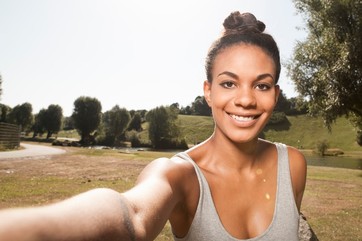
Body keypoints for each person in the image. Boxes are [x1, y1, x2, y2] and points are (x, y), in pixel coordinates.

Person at [0, 11, 307, 241]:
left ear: (276, 95)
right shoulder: (180, 175)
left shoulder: (292, 165)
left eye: (262, 86)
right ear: (208, 91)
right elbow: (129, 214)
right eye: (229, 83)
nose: (245, 100)